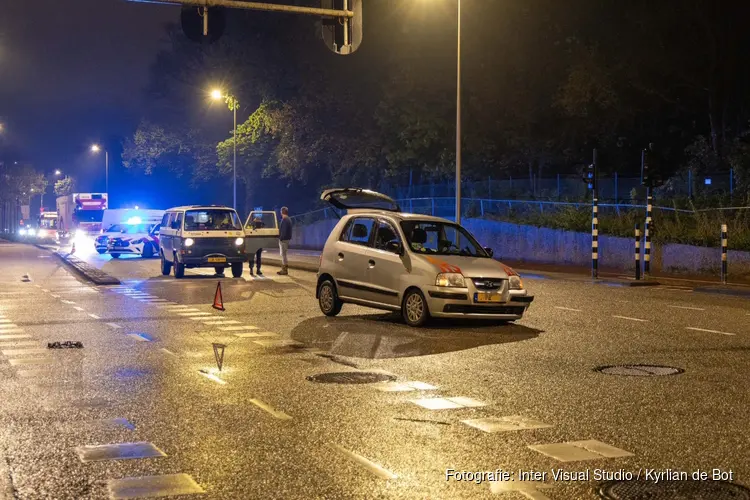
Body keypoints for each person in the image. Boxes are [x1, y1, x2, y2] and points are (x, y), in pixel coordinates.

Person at [278, 206, 292, 275]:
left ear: (282, 212)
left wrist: (281, 238)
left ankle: (284, 270)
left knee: (283, 255)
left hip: (284, 240)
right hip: (286, 239)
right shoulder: (288, 219)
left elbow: (283, 230)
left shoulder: (285, 219)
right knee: (284, 254)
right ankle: (284, 269)